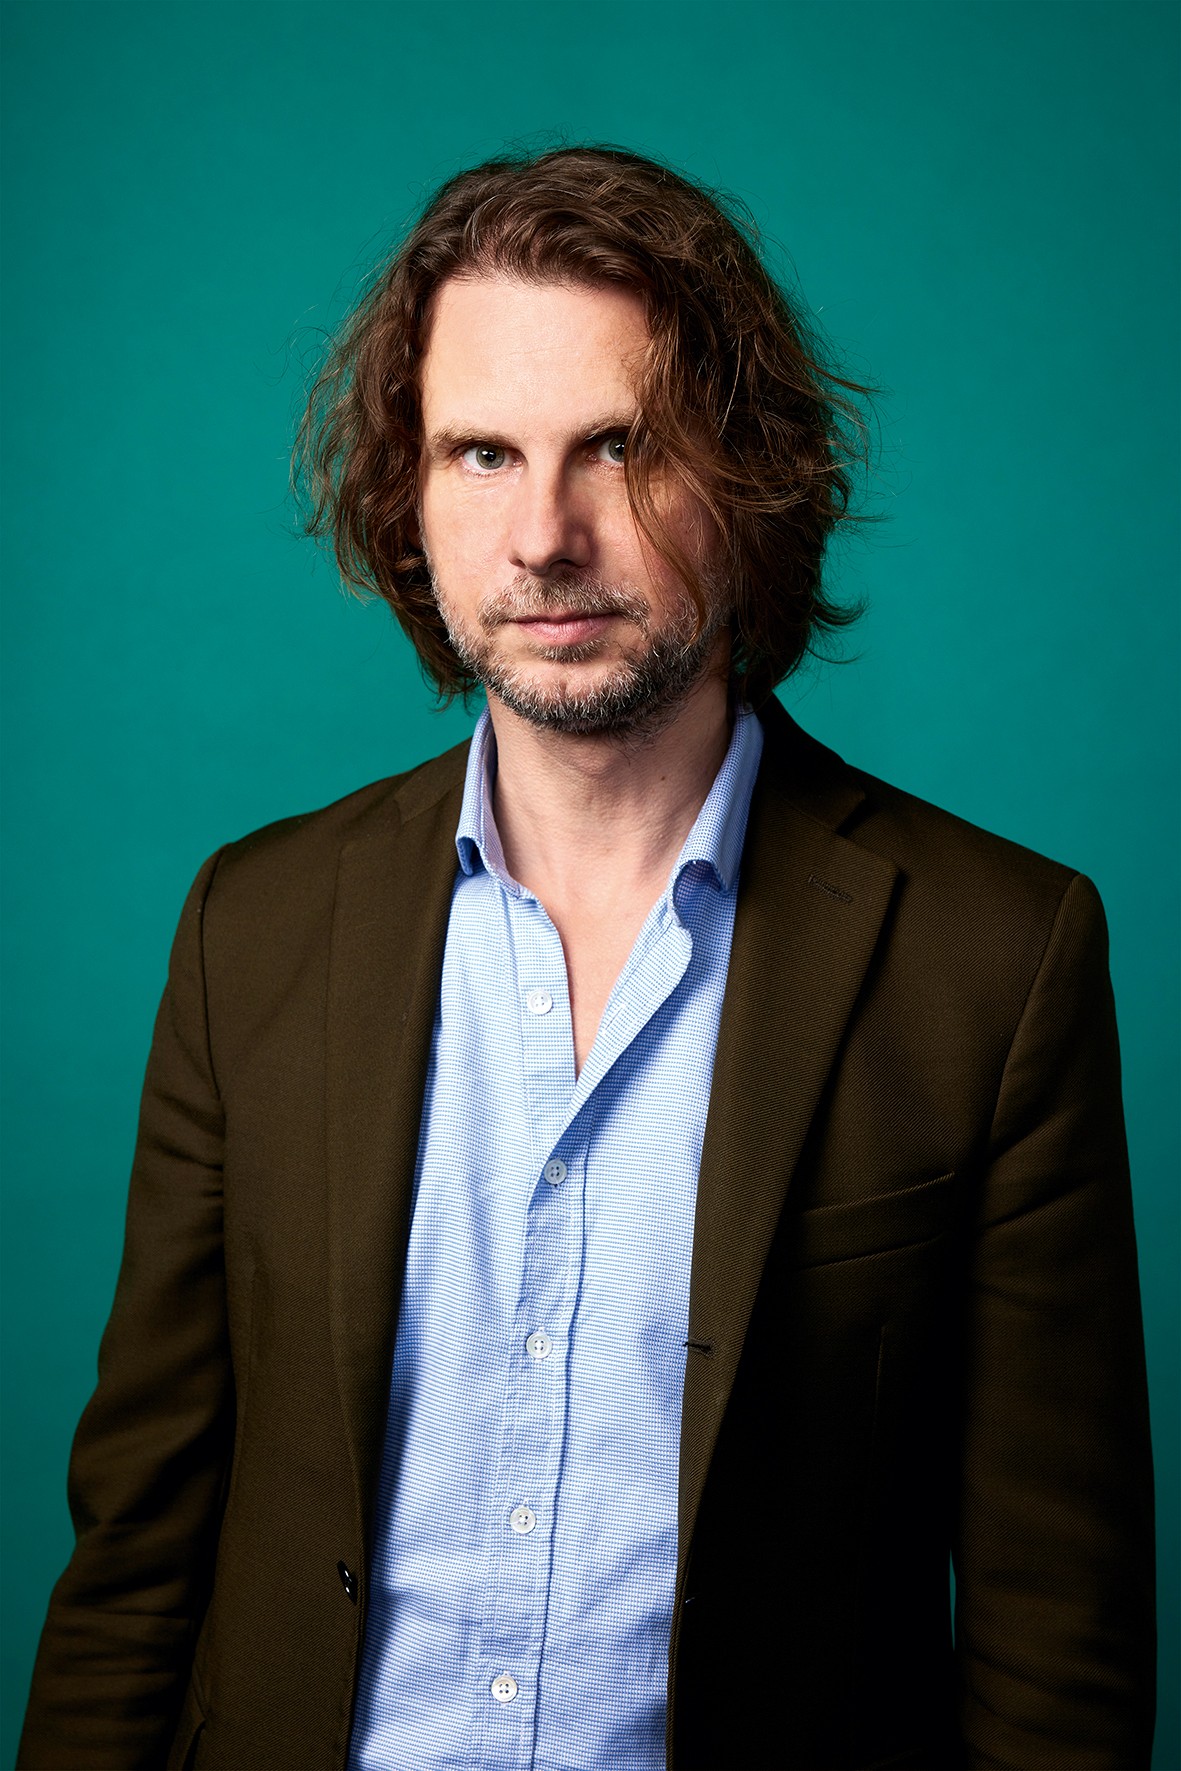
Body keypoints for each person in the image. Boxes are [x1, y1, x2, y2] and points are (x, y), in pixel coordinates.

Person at [19, 146, 1155, 1771]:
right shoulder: (250, 930)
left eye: (619, 449)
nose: (541, 536)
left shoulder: (993, 957)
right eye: (480, 453)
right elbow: (135, 1558)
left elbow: (1059, 1640)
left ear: (751, 480)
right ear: (408, 497)